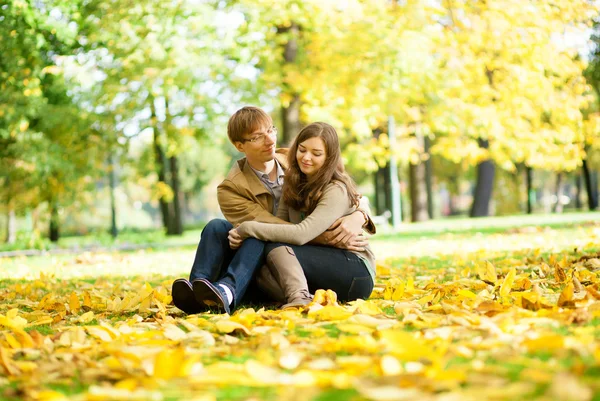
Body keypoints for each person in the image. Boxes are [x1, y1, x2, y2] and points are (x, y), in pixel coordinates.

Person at [171, 107, 375, 315]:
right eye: (258, 136)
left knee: (261, 237)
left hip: (300, 251)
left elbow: (346, 191)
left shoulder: (294, 161)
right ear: (239, 145)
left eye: (271, 130)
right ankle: (197, 287)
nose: (269, 140)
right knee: (218, 227)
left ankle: (228, 290)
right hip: (278, 247)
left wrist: (360, 215)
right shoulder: (231, 189)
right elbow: (271, 227)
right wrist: (323, 238)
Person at [231, 122, 376, 309]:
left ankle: (299, 298)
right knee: (261, 272)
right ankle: (296, 295)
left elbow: (300, 234)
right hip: (317, 265)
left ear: (329, 158)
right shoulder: (291, 184)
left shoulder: (336, 188)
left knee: (278, 246)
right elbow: (281, 225)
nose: (306, 158)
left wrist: (247, 228)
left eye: (316, 154)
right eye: (302, 150)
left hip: (355, 271)